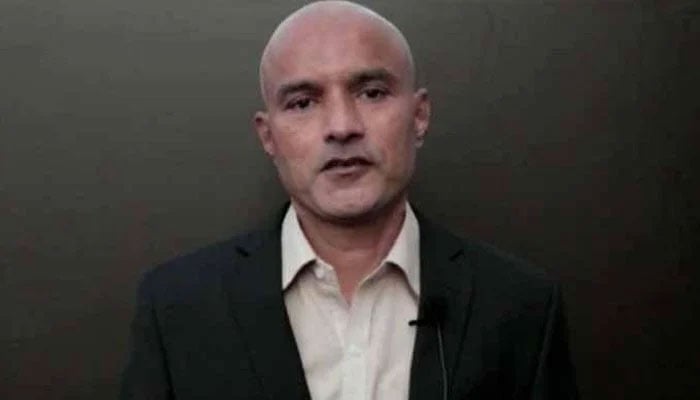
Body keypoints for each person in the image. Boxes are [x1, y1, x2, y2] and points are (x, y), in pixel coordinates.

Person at [120, 1, 578, 399]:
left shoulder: (521, 307)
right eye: (303, 102)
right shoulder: (177, 308)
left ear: (419, 116)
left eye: (372, 93)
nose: (341, 127)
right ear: (268, 136)